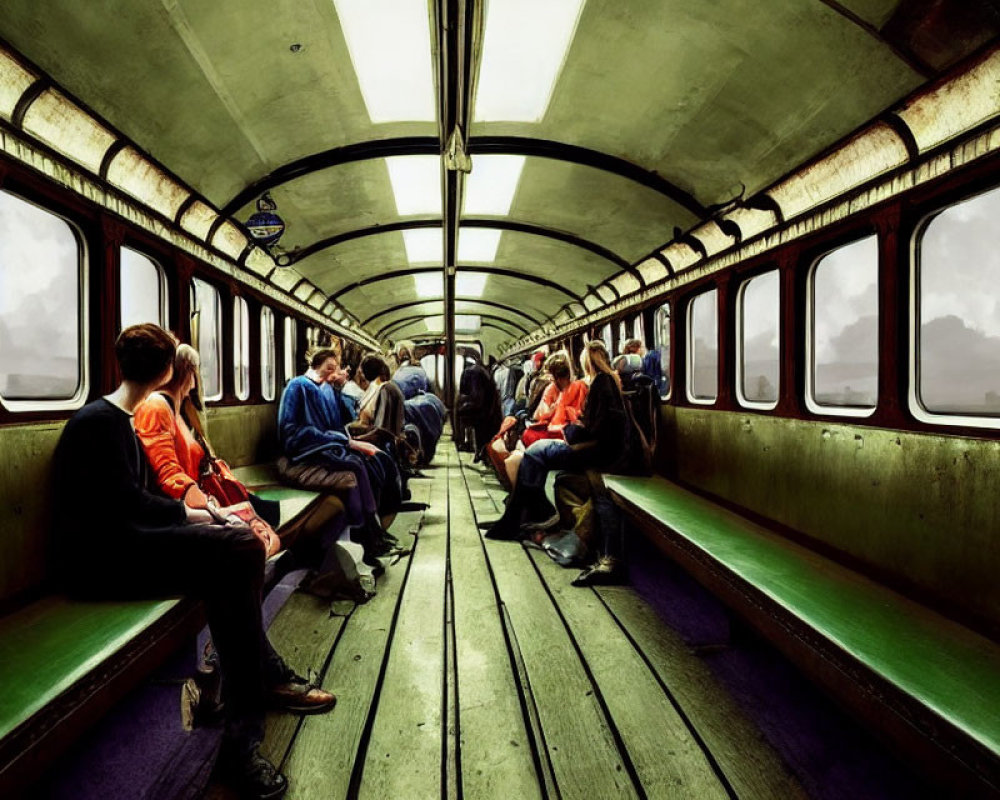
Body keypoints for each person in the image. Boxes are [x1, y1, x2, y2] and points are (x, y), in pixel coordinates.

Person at [52, 324, 335, 800]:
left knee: (234, 554)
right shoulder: (103, 423)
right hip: (101, 563)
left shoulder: (113, 417)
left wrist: (206, 516)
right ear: (166, 370)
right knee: (240, 549)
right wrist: (200, 518)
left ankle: (247, 710)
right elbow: (126, 511)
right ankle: (247, 729)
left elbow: (135, 504)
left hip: (118, 546)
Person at [481, 340, 627, 556]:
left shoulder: (601, 383)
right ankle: (525, 513)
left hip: (594, 452)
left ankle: (523, 514)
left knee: (536, 452)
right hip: (599, 450)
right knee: (536, 451)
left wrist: (573, 430)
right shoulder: (610, 381)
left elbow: (599, 430)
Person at [278, 348, 402, 562]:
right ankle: (364, 532)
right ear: (315, 365)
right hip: (305, 450)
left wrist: (340, 388)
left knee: (373, 463)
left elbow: (340, 421)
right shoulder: (297, 386)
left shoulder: (326, 388)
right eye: (328, 367)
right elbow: (289, 429)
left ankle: (374, 527)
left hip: (326, 445)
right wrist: (340, 441)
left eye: (335, 369)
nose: (331, 373)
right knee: (354, 465)